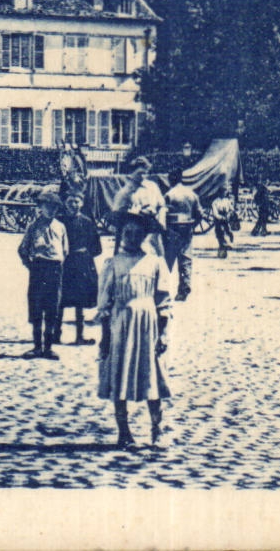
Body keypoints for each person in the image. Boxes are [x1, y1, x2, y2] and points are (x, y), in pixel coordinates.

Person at [98, 212, 174, 449]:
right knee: (119, 378)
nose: (132, 237)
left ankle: (157, 429)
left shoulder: (155, 263)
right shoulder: (113, 264)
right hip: (120, 325)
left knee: (151, 376)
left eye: (137, 233)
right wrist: (105, 338)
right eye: (127, 233)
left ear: (144, 236)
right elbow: (105, 305)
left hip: (147, 325)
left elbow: (164, 302)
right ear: (121, 235)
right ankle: (124, 432)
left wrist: (162, 334)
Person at [18, 195, 69, 359]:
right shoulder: (33, 226)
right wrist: (30, 265)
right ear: (41, 207)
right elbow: (22, 249)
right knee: (36, 307)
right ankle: (37, 347)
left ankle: (48, 347)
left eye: (54, 207)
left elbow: (65, 250)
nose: (51, 210)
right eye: (48, 207)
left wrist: (57, 263)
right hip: (38, 269)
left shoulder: (60, 227)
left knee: (52, 308)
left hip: (55, 269)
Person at [57, 192, 103, 345]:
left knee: (80, 301)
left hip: (82, 264)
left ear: (82, 203)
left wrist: (85, 254)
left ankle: (79, 335)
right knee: (60, 299)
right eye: (71, 202)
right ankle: (56, 334)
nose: (74, 205)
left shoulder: (87, 222)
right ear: (65, 203)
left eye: (77, 202)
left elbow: (97, 247)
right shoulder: (59, 222)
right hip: (64, 262)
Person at [161, 169, 199, 301]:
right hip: (187, 229)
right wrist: (192, 226)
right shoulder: (192, 194)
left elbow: (162, 215)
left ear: (171, 180)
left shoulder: (169, 195)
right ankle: (184, 289)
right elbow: (199, 214)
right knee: (186, 259)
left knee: (167, 261)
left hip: (172, 231)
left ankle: (163, 289)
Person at [210, 189, 236, 257]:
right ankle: (222, 251)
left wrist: (229, 214)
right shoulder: (215, 202)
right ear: (219, 193)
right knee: (221, 234)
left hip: (226, 220)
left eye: (225, 192)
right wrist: (221, 218)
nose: (224, 194)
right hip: (219, 221)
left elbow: (232, 209)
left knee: (229, 232)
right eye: (222, 192)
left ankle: (225, 248)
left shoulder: (226, 201)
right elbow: (215, 214)